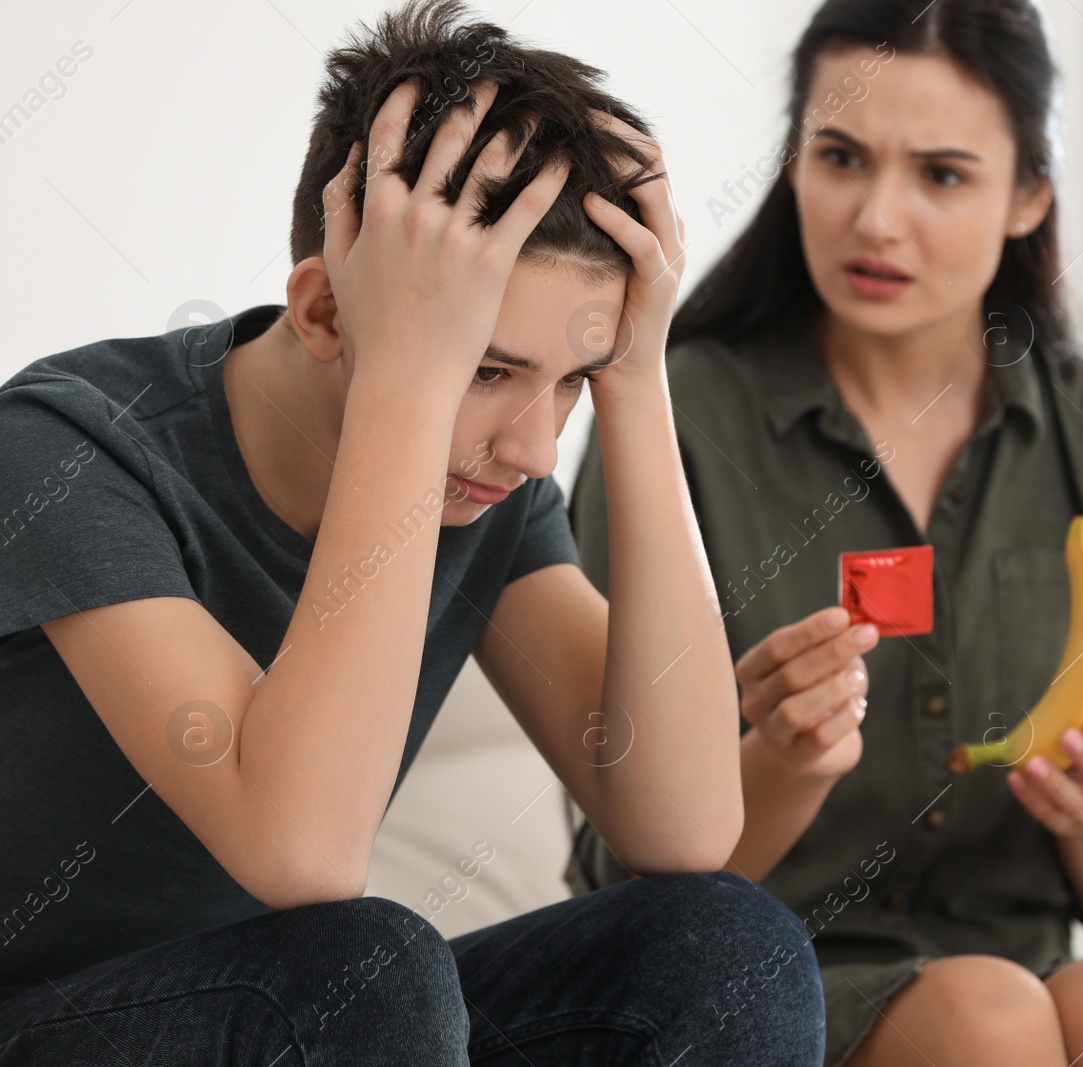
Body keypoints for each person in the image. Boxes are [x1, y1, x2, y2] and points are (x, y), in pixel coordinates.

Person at [0, 2, 824, 1063]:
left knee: (727, 944)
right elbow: (301, 851)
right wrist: (408, 377)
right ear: (327, 313)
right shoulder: (68, 448)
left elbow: (683, 825)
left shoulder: (478, 484)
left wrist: (636, 375)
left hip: (282, 1021)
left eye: (565, 378)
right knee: (364, 970)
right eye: (486, 368)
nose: (532, 449)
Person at [565, 0, 1083, 1064]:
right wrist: (780, 757)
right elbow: (619, 881)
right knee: (985, 1014)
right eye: (840, 158)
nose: (876, 217)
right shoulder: (674, 422)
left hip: (1028, 975)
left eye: (942, 174)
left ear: (1028, 197)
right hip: (755, 981)